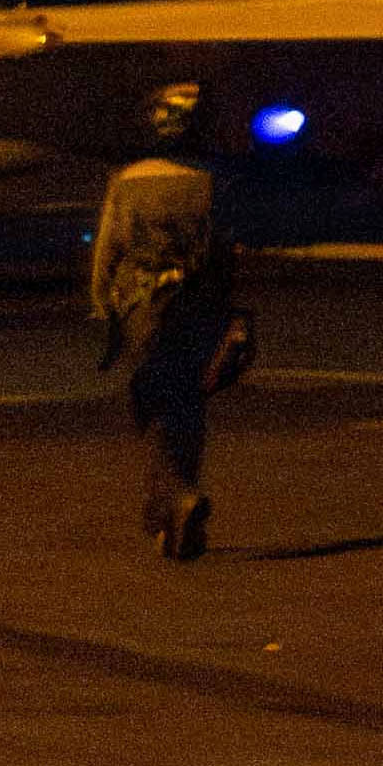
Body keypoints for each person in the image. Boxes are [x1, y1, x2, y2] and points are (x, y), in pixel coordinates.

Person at [93, 101, 254, 559]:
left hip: (145, 303)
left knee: (157, 400)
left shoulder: (128, 181)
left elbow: (110, 246)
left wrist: (103, 302)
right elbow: (223, 248)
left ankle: (175, 499)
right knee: (188, 402)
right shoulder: (206, 180)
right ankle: (175, 506)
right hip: (198, 301)